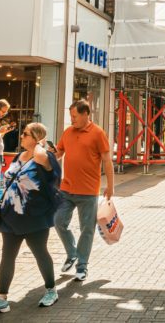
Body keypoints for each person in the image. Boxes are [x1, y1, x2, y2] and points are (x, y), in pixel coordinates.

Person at [0, 123, 62, 316]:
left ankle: (51, 290)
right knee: (7, 256)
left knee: (40, 253)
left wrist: (41, 142)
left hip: (35, 216)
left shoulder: (44, 157)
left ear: (35, 138)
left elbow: (41, 156)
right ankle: (1, 299)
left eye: (25, 134)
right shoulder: (19, 156)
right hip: (11, 216)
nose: (21, 137)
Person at [54, 101, 113, 282]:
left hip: (88, 191)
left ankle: (82, 266)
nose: (72, 120)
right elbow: (58, 153)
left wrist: (110, 186)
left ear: (86, 113)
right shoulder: (68, 132)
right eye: (71, 116)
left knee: (86, 230)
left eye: (74, 116)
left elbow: (107, 160)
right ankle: (72, 253)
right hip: (66, 189)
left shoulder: (97, 133)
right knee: (58, 221)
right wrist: (47, 153)